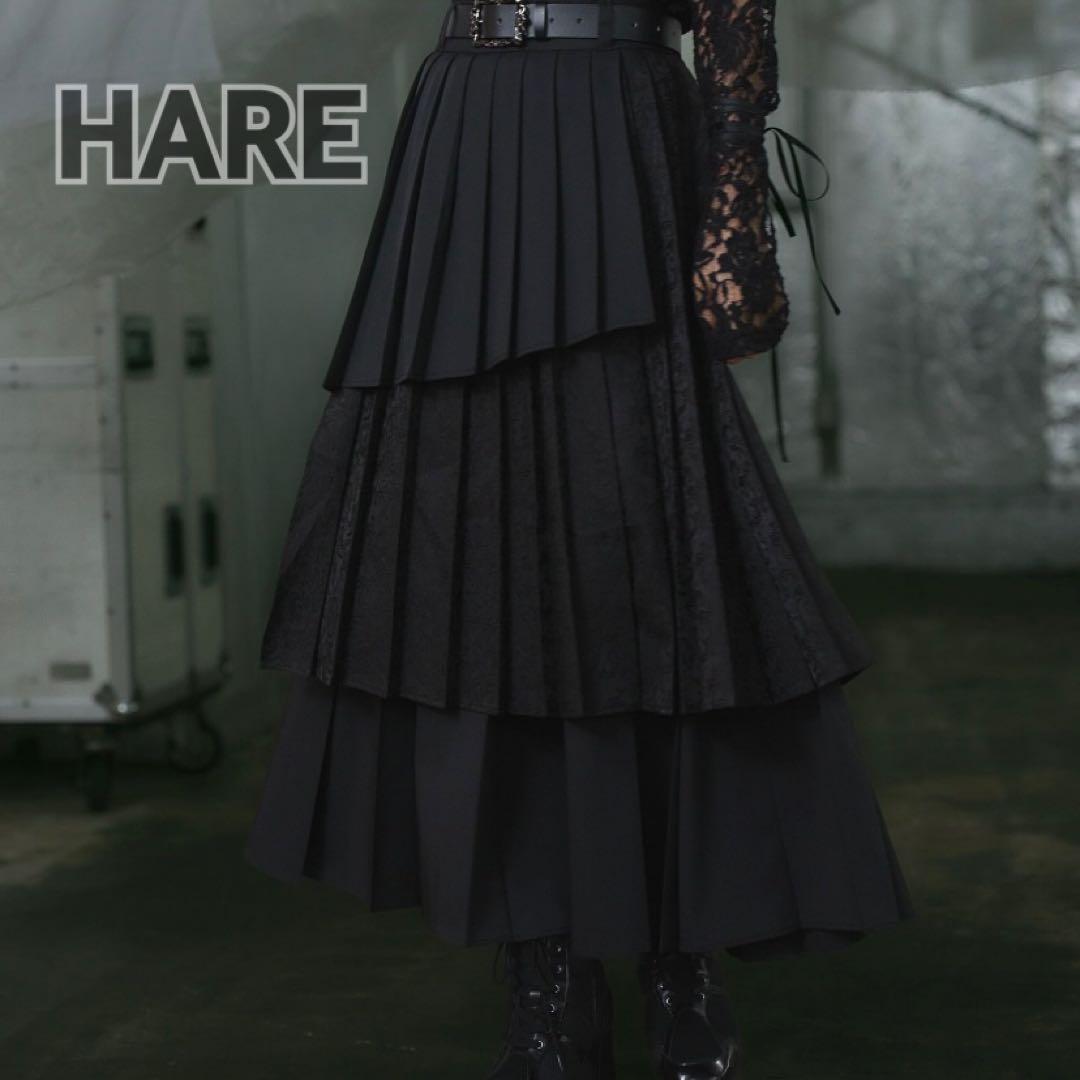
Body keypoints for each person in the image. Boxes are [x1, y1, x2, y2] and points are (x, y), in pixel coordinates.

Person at [245, 1, 913, 1076]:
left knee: (650, 550)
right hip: (471, 131)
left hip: (620, 122)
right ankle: (542, 967)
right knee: (481, 557)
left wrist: (734, 200)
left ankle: (678, 954)